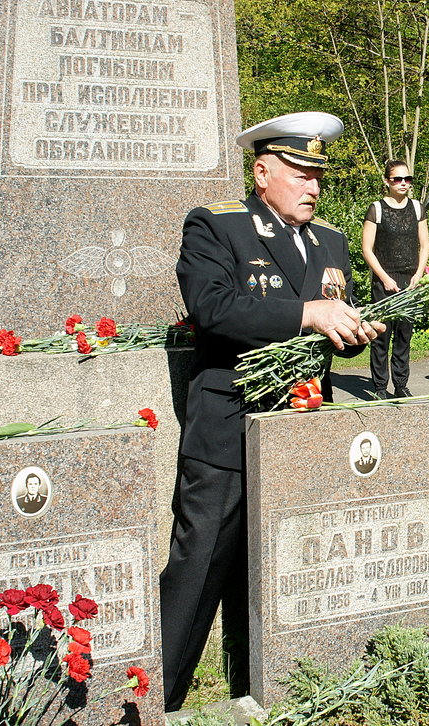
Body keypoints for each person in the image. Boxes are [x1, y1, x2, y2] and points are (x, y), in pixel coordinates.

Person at [160, 112, 384, 711]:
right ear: (262, 172)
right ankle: (156, 698)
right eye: (301, 173)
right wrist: (309, 314)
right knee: (199, 567)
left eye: (319, 175)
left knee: (292, 570)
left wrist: (355, 329)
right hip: (230, 430)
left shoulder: (332, 241)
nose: (314, 186)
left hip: (302, 431)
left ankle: (277, 691)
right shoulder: (217, 226)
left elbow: (334, 317)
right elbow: (213, 309)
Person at [362, 159, 429, 398]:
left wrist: (419, 275)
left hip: (409, 280)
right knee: (381, 336)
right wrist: (384, 278)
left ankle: (401, 385)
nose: (403, 183)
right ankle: (380, 387)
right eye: (397, 179)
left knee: (404, 335)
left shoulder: (417, 208)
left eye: (407, 179)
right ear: (387, 181)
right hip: (384, 281)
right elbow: (367, 249)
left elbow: (424, 245)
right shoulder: (377, 209)